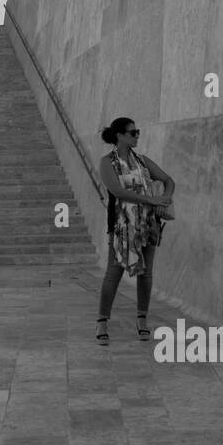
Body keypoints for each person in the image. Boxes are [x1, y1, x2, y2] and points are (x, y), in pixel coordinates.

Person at [94, 117, 174, 344]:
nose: (137, 136)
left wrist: (165, 198)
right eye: (133, 133)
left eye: (137, 132)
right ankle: (102, 321)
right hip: (122, 224)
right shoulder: (107, 162)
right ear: (119, 135)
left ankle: (142, 320)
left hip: (148, 223)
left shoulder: (142, 160)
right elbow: (118, 192)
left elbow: (169, 180)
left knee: (146, 273)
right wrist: (150, 199)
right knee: (114, 271)